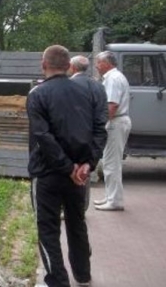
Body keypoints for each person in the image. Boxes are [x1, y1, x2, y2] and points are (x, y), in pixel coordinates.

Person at [27, 45, 107, 287]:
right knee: (77, 223)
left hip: (48, 173)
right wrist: (87, 165)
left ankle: (57, 281)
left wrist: (67, 167)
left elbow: (43, 137)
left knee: (48, 228)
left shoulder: (37, 94)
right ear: (68, 66)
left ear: (44, 65)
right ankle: (83, 275)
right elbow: (99, 130)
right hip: (79, 175)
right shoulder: (88, 90)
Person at [94, 51, 131, 211]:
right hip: (117, 121)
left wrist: (101, 125)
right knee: (109, 162)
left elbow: (112, 105)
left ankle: (115, 201)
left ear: (107, 63)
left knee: (111, 164)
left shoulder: (112, 79)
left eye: (98, 62)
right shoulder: (114, 77)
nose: (96, 66)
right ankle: (111, 197)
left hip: (114, 122)